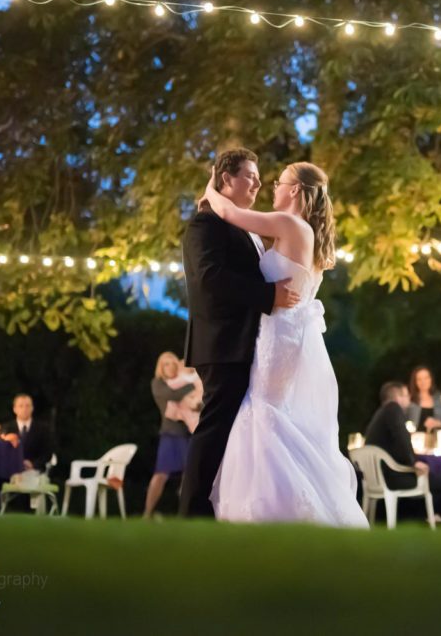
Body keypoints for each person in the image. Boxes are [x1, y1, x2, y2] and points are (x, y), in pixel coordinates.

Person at [201, 160, 368, 527]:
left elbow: (228, 212)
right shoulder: (304, 232)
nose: (272, 187)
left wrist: (210, 187)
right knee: (273, 414)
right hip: (291, 335)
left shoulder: (289, 224)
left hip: (279, 336)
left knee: (265, 412)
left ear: (294, 190)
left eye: (279, 182)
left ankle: (271, 512)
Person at [178, 148, 301, 518]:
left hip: (244, 343)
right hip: (222, 343)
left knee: (233, 432)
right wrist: (269, 295)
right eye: (250, 175)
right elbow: (209, 278)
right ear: (226, 178)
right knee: (214, 430)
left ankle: (221, 508)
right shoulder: (206, 225)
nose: (259, 183)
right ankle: (191, 512)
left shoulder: (239, 225)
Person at [144, 352, 203, 518]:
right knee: (161, 473)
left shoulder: (182, 380)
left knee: (189, 475)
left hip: (189, 433)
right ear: (160, 367)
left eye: (172, 363)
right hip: (170, 434)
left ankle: (184, 513)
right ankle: (147, 514)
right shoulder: (158, 384)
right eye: (166, 364)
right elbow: (173, 395)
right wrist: (193, 384)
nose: (170, 367)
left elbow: (196, 403)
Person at [365, 382, 430, 490]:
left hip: (376, 478)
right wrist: (413, 461)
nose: (409, 398)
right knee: (439, 480)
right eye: (406, 395)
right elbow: (401, 437)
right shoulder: (393, 408)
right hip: (391, 477)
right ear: (398, 397)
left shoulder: (381, 412)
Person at [2, 394, 53, 472]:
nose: (24, 409)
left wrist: (33, 464)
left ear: (32, 408)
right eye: (21, 406)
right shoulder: (6, 429)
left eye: (27, 406)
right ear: (14, 409)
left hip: (35, 474)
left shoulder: (43, 429)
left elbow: (47, 453)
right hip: (10, 472)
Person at [407, 366, 441, 431]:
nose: (423, 382)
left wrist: (438, 423)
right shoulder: (409, 399)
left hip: (438, 438)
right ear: (415, 382)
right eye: (419, 379)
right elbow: (402, 420)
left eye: (426, 378)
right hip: (415, 438)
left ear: (431, 379)